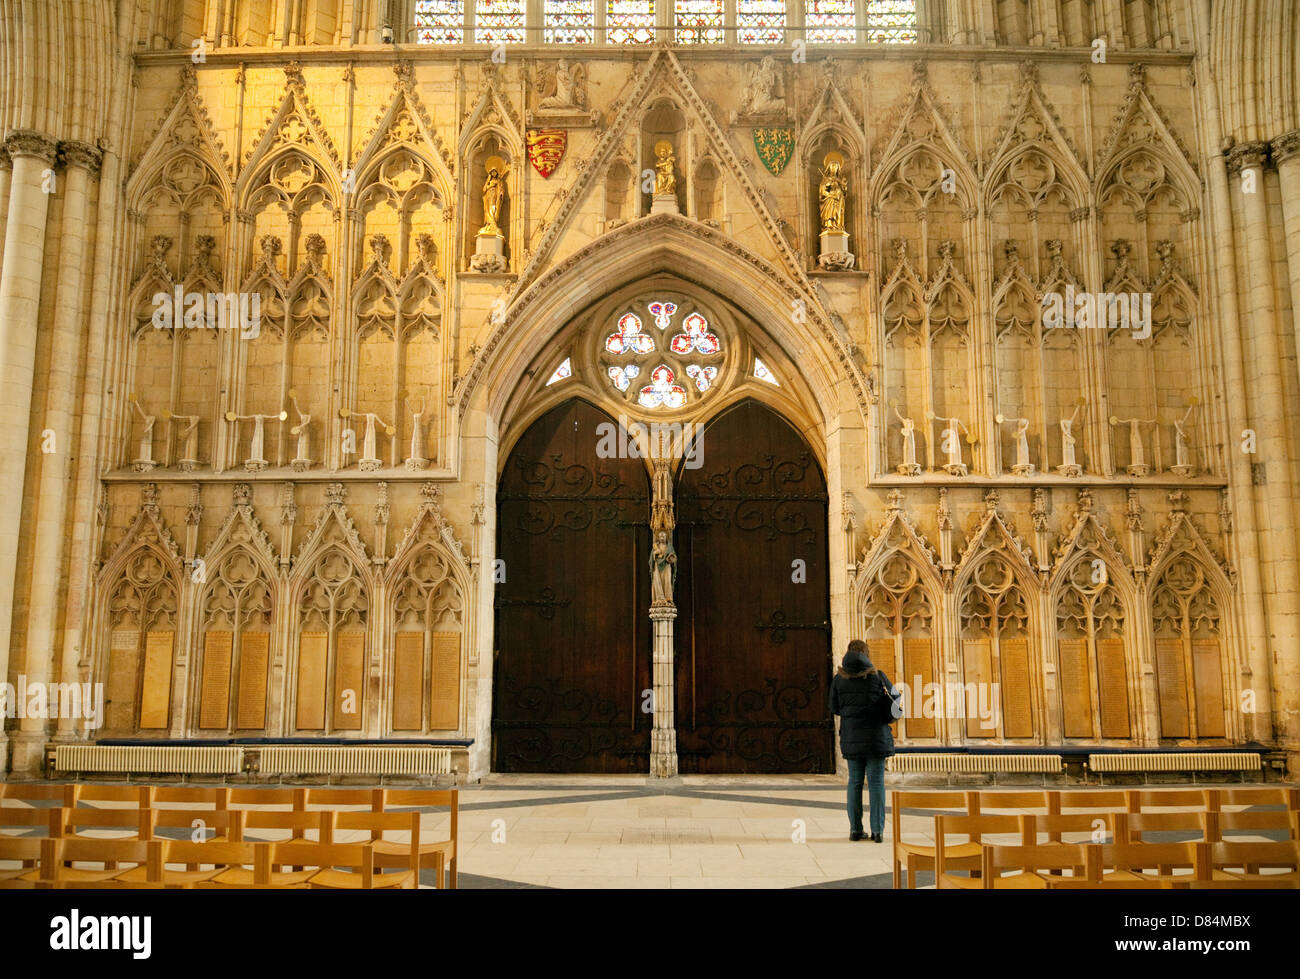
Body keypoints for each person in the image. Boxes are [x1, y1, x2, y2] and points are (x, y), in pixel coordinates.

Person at [829, 639, 897, 842]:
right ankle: (877, 831)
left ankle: (855, 830)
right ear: (867, 654)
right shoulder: (878, 676)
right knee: (876, 783)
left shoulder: (839, 680)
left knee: (855, 782)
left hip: (852, 737)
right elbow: (896, 701)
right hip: (877, 737)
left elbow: (834, 708)